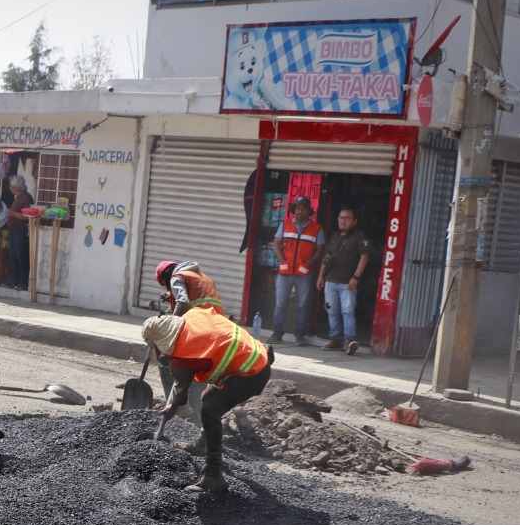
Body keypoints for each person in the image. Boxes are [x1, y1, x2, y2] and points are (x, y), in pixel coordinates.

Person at [143, 305, 273, 494]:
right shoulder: (195, 314)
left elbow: (181, 396)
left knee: (210, 410)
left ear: (160, 343)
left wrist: (171, 407)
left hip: (252, 373)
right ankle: (204, 443)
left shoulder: (181, 360)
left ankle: (213, 475)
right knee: (208, 397)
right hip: (259, 354)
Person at [151, 259, 223, 438]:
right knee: (198, 372)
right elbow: (197, 299)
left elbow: (183, 303)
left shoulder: (177, 278)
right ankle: (204, 423)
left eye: (165, 285)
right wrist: (171, 296)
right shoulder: (199, 276)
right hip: (215, 327)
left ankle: (178, 407)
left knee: (166, 359)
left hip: (199, 327)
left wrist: (170, 323)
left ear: (167, 277)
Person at [317, 207, 371, 355]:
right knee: (331, 310)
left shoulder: (360, 237)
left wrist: (356, 277)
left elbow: (364, 257)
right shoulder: (334, 236)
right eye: (341, 218)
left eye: (347, 218)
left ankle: (349, 340)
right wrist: (321, 276)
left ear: (354, 221)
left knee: (348, 311)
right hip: (330, 280)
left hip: (348, 283)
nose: (343, 221)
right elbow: (326, 257)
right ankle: (335, 340)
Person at [269, 196, 321, 346]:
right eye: (298, 208)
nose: (300, 211)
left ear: (308, 211)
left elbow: (320, 249)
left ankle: (300, 336)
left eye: (303, 209)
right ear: (294, 211)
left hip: (304, 274)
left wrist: (309, 263)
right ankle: (277, 334)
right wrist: (282, 261)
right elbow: (276, 244)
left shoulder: (316, 228)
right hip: (285, 273)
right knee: (280, 304)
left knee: (302, 305)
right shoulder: (285, 225)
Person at [4, 175, 33, 290]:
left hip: (20, 231)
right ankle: (13, 280)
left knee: (21, 256)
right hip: (14, 230)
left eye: (12, 186)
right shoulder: (18, 197)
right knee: (13, 256)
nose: (10, 188)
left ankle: (23, 282)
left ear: (17, 187)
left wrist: (13, 214)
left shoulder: (26, 198)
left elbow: (27, 216)